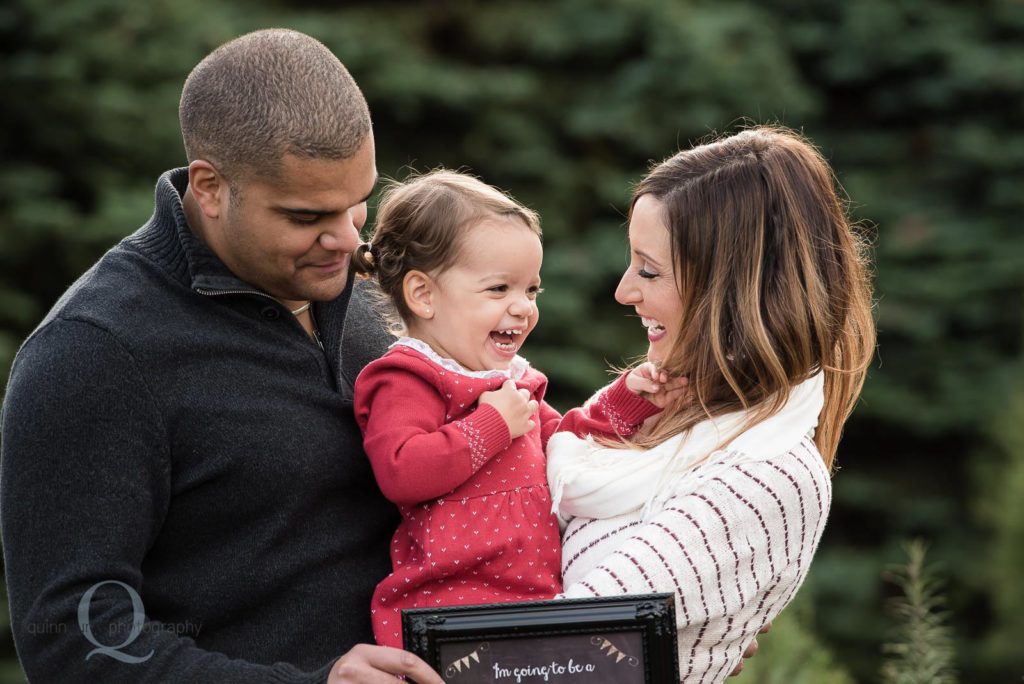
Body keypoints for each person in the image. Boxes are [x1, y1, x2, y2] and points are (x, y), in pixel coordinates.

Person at [0, 29, 445, 683]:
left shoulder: (371, 294)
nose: (348, 239)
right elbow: (71, 644)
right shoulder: (93, 354)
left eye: (358, 204)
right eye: (306, 216)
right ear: (209, 187)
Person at [546, 126, 875, 682]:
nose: (624, 291)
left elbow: (552, 653)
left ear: (732, 294)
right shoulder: (655, 406)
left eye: (649, 270)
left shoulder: (769, 475)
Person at [349, 170, 683, 647]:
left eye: (531, 290)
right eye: (498, 289)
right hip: (448, 612)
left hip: (535, 603)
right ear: (423, 295)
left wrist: (628, 399)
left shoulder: (513, 383)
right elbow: (401, 470)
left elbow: (566, 444)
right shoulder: (407, 377)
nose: (523, 307)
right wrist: (490, 426)